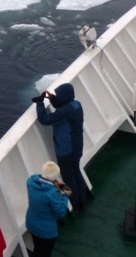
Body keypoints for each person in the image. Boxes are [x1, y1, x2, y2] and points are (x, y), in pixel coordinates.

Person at [33, 83, 88, 212]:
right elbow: (62, 106)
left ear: (64, 97)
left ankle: (75, 203)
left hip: (66, 151)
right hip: (77, 147)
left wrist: (40, 103)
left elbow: (44, 120)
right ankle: (83, 199)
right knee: (76, 173)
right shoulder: (76, 105)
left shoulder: (64, 112)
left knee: (68, 178)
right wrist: (52, 98)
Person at [25, 161, 71, 257]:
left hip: (31, 223)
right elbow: (61, 212)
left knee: (37, 248)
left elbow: (43, 180)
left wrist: (56, 183)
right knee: (44, 253)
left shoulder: (30, 182)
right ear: (55, 177)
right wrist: (65, 196)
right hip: (45, 231)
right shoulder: (51, 194)